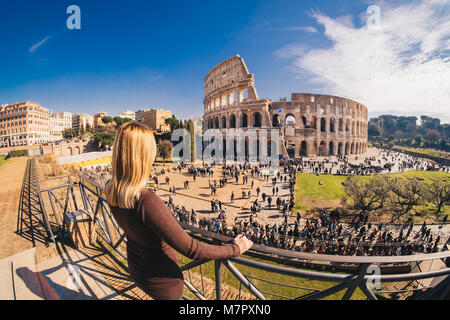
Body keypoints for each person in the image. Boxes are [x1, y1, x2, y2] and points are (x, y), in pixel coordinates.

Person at [106, 123, 253, 300]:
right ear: (143, 156)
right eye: (151, 149)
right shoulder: (145, 200)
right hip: (164, 283)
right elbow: (193, 249)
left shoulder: (111, 189)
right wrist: (234, 249)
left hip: (137, 268)